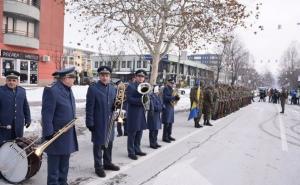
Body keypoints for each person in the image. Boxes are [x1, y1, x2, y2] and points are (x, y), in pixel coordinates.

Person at [41, 67, 79, 185]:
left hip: (66, 134)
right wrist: (48, 134)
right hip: (55, 135)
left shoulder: (68, 88)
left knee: (64, 165)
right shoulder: (52, 90)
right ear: (65, 78)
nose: (74, 79)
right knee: (54, 169)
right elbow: (46, 114)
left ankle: (63, 182)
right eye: (72, 77)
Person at [86, 66, 120, 178]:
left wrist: (117, 105)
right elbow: (89, 107)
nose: (104, 77)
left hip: (110, 120)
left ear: (110, 76)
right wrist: (89, 122)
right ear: (99, 76)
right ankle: (98, 166)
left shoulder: (113, 88)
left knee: (109, 143)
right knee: (98, 145)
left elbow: (115, 104)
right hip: (98, 121)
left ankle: (107, 163)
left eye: (107, 75)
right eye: (102, 75)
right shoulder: (93, 88)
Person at [0, 70, 31, 144]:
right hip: (4, 125)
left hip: (18, 124)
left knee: (17, 144)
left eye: (14, 80)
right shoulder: (1, 91)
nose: (11, 82)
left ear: (17, 81)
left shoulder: (22, 91)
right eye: (9, 80)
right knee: (3, 145)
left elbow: (25, 106)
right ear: (6, 80)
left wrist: (28, 119)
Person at [126, 69, 148, 160]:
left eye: (142, 77)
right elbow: (130, 99)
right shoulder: (131, 86)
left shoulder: (144, 86)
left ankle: (137, 149)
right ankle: (131, 151)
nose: (141, 78)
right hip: (133, 113)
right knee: (132, 133)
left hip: (141, 112)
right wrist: (141, 101)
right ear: (135, 77)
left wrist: (146, 99)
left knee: (139, 132)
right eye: (139, 76)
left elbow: (146, 98)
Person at [162, 79, 180, 143]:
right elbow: (165, 98)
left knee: (170, 122)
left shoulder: (172, 89)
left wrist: (177, 98)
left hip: (171, 107)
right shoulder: (166, 88)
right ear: (168, 82)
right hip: (167, 107)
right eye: (171, 83)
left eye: (173, 83)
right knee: (167, 123)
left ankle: (169, 135)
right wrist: (173, 98)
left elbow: (173, 96)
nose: (172, 84)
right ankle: (165, 137)